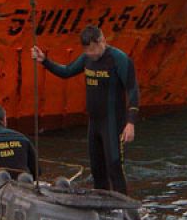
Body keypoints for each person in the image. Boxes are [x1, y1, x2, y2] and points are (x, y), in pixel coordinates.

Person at [32, 25, 138, 195]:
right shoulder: (87, 59)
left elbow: (132, 90)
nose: (91, 54)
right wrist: (44, 60)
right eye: (87, 51)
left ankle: (124, 210)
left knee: (114, 166)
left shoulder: (119, 59)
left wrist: (130, 122)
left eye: (93, 50)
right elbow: (66, 71)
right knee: (97, 169)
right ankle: (101, 206)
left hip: (113, 123)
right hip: (95, 123)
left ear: (102, 40)